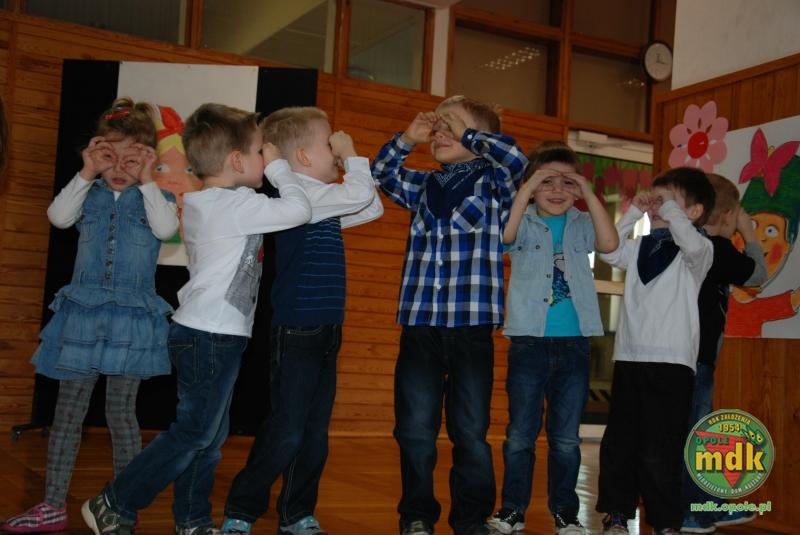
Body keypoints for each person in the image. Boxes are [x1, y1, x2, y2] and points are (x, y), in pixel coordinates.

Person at [81, 103, 312, 535]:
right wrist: (281, 168)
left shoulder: (209, 201)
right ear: (237, 161)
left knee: (207, 438)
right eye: (260, 151)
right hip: (212, 335)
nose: (266, 158)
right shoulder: (235, 205)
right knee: (194, 433)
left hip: (207, 333)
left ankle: (192, 520)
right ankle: (115, 501)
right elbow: (300, 209)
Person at [0, 98, 179, 533]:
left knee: (121, 413)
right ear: (97, 151)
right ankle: (52, 505)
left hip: (130, 322)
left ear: (147, 158)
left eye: (131, 158)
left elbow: (166, 229)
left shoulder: (156, 198)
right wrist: (85, 171)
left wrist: (147, 179)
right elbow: (58, 217)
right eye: (110, 156)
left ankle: (122, 506)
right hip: (82, 319)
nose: (119, 167)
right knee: (68, 413)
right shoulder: (87, 193)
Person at [221, 106, 383, 535]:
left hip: (327, 330)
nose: (336, 150)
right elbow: (360, 195)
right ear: (304, 158)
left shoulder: (322, 199)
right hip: (297, 331)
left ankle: (296, 513)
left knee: (313, 432)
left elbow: (370, 207)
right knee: (288, 429)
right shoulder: (303, 199)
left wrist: (352, 165)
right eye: (329, 144)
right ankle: (242, 507)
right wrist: (353, 156)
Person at [372, 95, 528, 535]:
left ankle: (470, 519)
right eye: (438, 127)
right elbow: (382, 173)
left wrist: (467, 133)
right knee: (414, 430)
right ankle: (417, 515)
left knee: (470, 432)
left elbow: (516, 158)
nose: (441, 133)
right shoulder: (424, 185)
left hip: (471, 329)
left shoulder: (496, 183)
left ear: (479, 137)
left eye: (451, 126)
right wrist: (407, 139)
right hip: (420, 326)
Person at [488, 142, 617, 535]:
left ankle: (565, 513)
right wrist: (526, 190)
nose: (557, 190)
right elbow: (502, 236)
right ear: (530, 187)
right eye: (547, 182)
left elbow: (609, 245)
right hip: (529, 342)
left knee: (565, 439)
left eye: (566, 182)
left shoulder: (582, 221)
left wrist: (589, 193)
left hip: (574, 344)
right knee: (520, 435)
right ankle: (513, 510)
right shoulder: (523, 221)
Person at [594, 167, 715, 535]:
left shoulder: (698, 251)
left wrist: (670, 210)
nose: (659, 205)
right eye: (657, 199)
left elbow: (691, 243)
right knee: (621, 443)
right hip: (630, 358)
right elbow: (609, 250)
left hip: (671, 363)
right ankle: (617, 512)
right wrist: (635, 211)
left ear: (694, 211)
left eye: (669, 200)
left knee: (660, 448)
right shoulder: (639, 247)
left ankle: (665, 521)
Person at [680, 173, 766, 533]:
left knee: (689, 432)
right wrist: (748, 233)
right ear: (728, 214)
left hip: (681, 357)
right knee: (696, 434)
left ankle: (705, 506)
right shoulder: (717, 248)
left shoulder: (688, 244)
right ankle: (693, 512)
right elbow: (757, 274)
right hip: (698, 359)